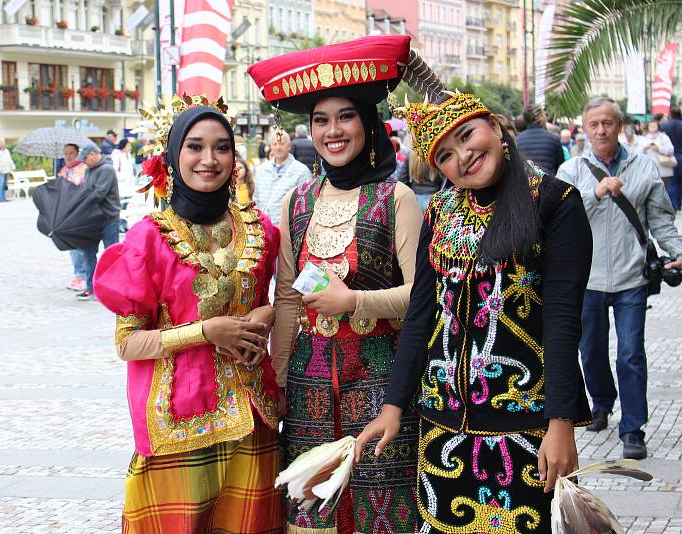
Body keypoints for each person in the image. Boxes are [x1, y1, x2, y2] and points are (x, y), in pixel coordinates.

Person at [356, 87, 594, 532]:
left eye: (467, 135)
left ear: (497, 129)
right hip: (441, 425)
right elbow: (422, 316)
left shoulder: (555, 202)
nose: (462, 156)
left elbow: (563, 322)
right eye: (445, 155)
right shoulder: (440, 211)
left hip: (525, 426)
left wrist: (561, 423)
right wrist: (393, 405)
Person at [249, 34, 422, 533]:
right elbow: (285, 297)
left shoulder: (398, 198)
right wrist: (280, 379)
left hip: (382, 383)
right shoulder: (297, 201)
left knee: (381, 512)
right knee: (313, 512)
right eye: (320, 120)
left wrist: (355, 300)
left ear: (367, 124)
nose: (333, 131)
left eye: (345, 116)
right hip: (310, 384)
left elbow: (422, 298)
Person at [93, 99, 282, 533]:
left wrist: (266, 315)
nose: (209, 159)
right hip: (179, 419)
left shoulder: (260, 230)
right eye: (195, 147)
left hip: (254, 417)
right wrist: (205, 331)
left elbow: (277, 301)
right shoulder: (149, 238)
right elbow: (127, 343)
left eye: (221, 147)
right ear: (174, 155)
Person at [557, 97, 682, 460]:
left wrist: (676, 252)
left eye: (608, 123)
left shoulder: (643, 167)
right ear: (584, 127)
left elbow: (660, 218)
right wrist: (594, 194)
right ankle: (601, 403)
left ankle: (633, 428)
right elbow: (560, 218)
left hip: (631, 276)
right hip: (588, 279)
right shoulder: (572, 170)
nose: (601, 130)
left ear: (620, 126)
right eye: (594, 124)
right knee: (591, 351)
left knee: (630, 354)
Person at [76, 141, 121, 301]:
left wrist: (79, 201)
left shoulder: (107, 169)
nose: (84, 161)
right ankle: (91, 287)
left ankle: (113, 288)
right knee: (88, 254)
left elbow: (98, 194)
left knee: (111, 255)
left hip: (109, 219)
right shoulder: (88, 170)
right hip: (91, 220)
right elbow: (86, 191)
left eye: (85, 158)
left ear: (94, 154)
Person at [253, 130, 311, 226]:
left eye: (281, 143)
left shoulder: (302, 171)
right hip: (264, 229)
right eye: (274, 144)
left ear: (289, 146)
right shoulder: (262, 170)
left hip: (287, 230)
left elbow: (306, 205)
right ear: (270, 146)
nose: (278, 147)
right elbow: (256, 198)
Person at [56, 144, 88, 292]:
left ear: (77, 154)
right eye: (66, 153)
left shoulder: (83, 168)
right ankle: (78, 274)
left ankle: (84, 275)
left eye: (71, 153)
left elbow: (81, 189)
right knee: (71, 246)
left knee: (80, 246)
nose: (68, 156)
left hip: (79, 212)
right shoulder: (63, 170)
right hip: (66, 212)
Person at [516, 105, 566, 175]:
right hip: (549, 183)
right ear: (541, 118)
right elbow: (561, 168)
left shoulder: (518, 140)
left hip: (526, 183)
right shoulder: (554, 139)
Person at [642, 119, 677, 191]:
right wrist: (645, 147)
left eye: (654, 125)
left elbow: (671, 150)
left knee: (663, 191)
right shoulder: (643, 138)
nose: (652, 127)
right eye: (650, 125)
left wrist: (659, 148)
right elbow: (638, 152)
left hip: (663, 170)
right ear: (647, 127)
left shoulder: (664, 137)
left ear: (658, 126)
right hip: (648, 171)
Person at [661, 106, 682, 210]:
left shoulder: (664, 126)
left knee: (672, 182)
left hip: (670, 157)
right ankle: (679, 202)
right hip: (681, 154)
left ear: (671, 114)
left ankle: (674, 205)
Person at [0, 138, 16, 202]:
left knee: (5, 185)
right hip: (1, 171)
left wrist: (13, 166)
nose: (2, 143)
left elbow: (10, 159)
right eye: (1, 142)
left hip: (7, 170)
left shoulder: (6, 150)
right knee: (0, 184)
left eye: (3, 142)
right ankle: (0, 198)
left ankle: (4, 198)